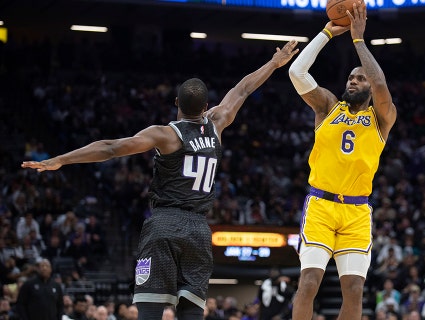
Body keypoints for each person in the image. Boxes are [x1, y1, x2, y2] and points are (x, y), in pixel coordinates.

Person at [22, 40, 300, 320]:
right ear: (206, 106)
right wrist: (274, 63)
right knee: (191, 311)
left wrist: (60, 159)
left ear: (177, 103)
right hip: (200, 230)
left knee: (151, 309)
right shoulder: (217, 122)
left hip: (165, 224)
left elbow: (111, 148)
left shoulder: (166, 135)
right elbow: (243, 88)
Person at [287, 2, 397, 319]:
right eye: (350, 77)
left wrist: (359, 41)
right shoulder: (327, 107)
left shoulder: (382, 118)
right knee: (308, 282)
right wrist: (326, 33)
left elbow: (379, 83)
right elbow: (297, 72)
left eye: (359, 78)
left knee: (354, 291)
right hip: (321, 206)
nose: (353, 80)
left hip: (356, 212)